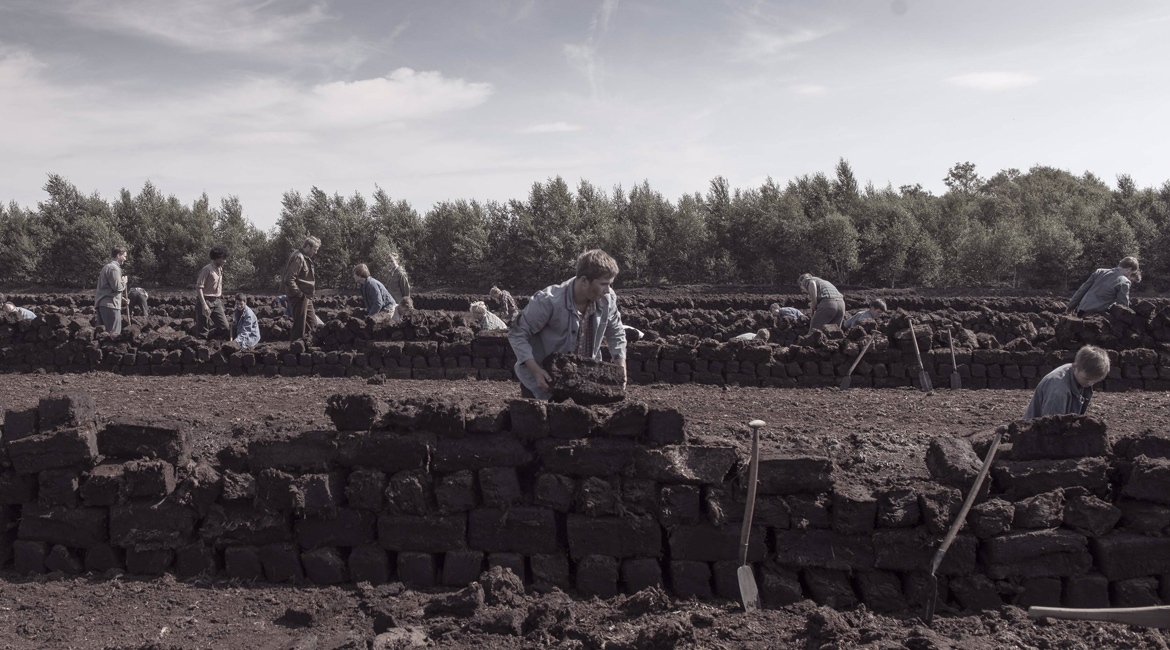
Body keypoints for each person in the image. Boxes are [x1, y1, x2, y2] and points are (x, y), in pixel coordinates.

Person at [509, 249, 628, 400]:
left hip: (583, 382)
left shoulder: (608, 299)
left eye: (610, 284)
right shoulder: (548, 301)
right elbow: (517, 334)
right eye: (604, 284)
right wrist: (536, 371)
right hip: (543, 382)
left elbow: (616, 333)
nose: (608, 290)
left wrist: (621, 369)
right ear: (584, 281)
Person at [1023, 345, 1110, 419]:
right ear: (1074, 367)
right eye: (1087, 379)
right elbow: (1051, 427)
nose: (1090, 384)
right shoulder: (1058, 392)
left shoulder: (1078, 372)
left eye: (1095, 381)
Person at [1067, 256, 1141, 315]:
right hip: (1097, 315)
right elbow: (1123, 305)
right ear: (1129, 269)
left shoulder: (1099, 271)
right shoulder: (1124, 281)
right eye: (1131, 273)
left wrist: (1071, 306)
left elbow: (1082, 290)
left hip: (1082, 309)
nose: (1129, 275)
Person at [282, 236, 320, 341]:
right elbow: (289, 279)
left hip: (305, 296)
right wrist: (299, 294)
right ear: (308, 246)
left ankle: (308, 346)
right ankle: (295, 351)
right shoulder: (298, 257)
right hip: (299, 296)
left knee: (312, 324)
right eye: (314, 250)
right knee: (299, 326)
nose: (315, 253)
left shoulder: (303, 256)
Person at [195, 245, 231, 340]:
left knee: (225, 327)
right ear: (217, 258)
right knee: (202, 330)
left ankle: (209, 337)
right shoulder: (207, 269)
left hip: (216, 301)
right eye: (223, 258)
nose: (225, 261)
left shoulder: (220, 269)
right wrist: (204, 305)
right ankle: (202, 345)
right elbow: (199, 287)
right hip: (205, 300)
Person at [95, 245, 128, 334]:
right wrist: (124, 282)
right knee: (113, 334)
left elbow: (107, 288)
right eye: (124, 256)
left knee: (103, 335)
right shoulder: (114, 268)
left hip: (103, 304)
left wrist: (121, 299)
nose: (125, 259)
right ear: (118, 255)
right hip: (111, 305)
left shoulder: (106, 267)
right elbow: (117, 287)